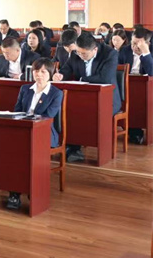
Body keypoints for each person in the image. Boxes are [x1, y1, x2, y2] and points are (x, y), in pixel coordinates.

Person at [54, 32, 120, 162]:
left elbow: (105, 78)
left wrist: (81, 79)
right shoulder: (76, 53)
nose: (80, 56)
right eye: (78, 53)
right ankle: (72, 146)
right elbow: (67, 69)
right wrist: (60, 75)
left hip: (108, 99)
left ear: (94, 50)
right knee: (69, 110)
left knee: (89, 113)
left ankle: (82, 147)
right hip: (83, 97)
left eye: (84, 54)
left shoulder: (109, 54)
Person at [8, 58, 64, 210]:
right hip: (24, 130)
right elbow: (17, 110)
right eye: (36, 71)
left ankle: (33, 191)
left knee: (28, 154)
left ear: (50, 74)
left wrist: (29, 119)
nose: (39, 75)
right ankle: (14, 192)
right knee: (12, 152)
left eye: (43, 72)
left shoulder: (56, 93)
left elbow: (48, 116)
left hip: (44, 133)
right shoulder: (25, 89)